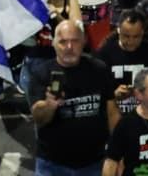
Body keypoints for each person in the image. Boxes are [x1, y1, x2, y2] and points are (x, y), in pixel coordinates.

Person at [27, 20, 118, 176]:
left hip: (94, 163)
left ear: (84, 41)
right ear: (54, 44)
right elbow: (38, 118)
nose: (69, 47)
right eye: (63, 42)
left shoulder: (99, 70)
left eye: (74, 41)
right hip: (52, 165)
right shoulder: (41, 73)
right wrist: (50, 105)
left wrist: (116, 153)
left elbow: (112, 112)